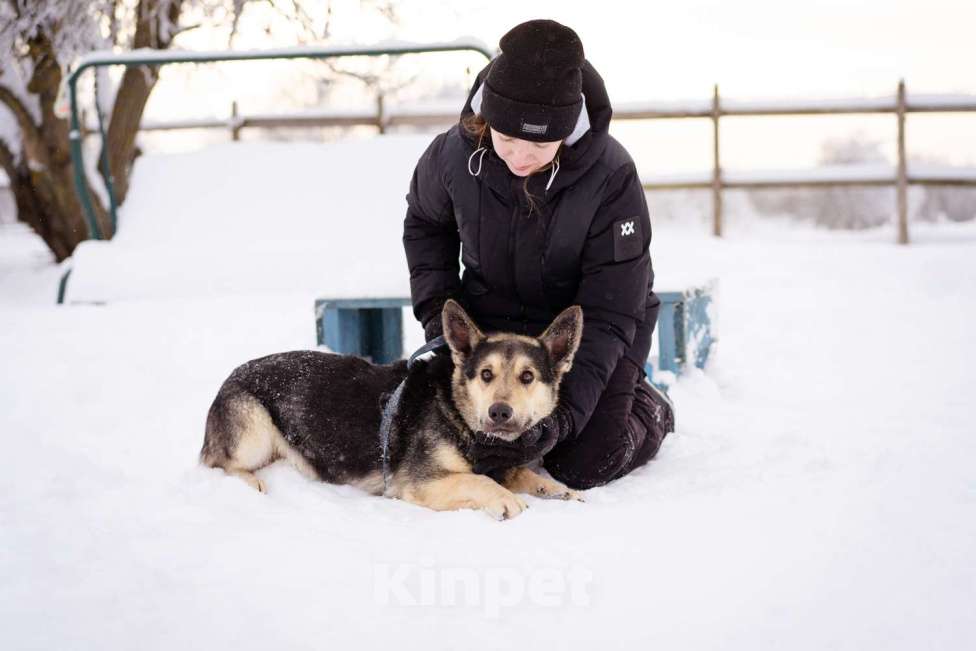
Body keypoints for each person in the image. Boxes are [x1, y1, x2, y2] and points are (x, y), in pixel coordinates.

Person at [402, 19, 674, 490]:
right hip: (491, 328)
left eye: (540, 145)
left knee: (584, 462)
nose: (520, 157)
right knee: (447, 436)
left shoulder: (611, 175)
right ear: (487, 118)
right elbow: (425, 225)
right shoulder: (452, 155)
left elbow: (613, 309)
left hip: (588, 331)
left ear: (567, 134)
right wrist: (445, 333)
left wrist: (563, 418)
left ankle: (650, 407)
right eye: (507, 139)